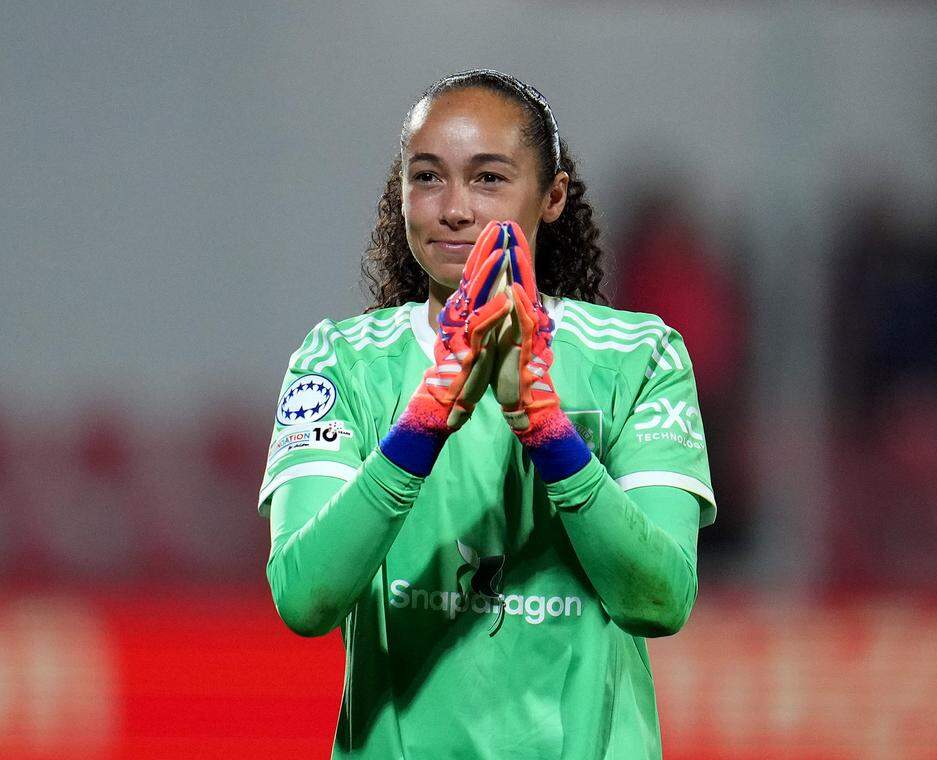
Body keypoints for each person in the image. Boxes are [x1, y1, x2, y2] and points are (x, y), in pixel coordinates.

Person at [258, 69, 716, 760]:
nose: (454, 208)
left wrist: (544, 428)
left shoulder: (640, 358)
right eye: (427, 177)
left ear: (552, 195)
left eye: (490, 179)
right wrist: (425, 420)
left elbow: (660, 600)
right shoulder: (340, 365)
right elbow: (305, 598)